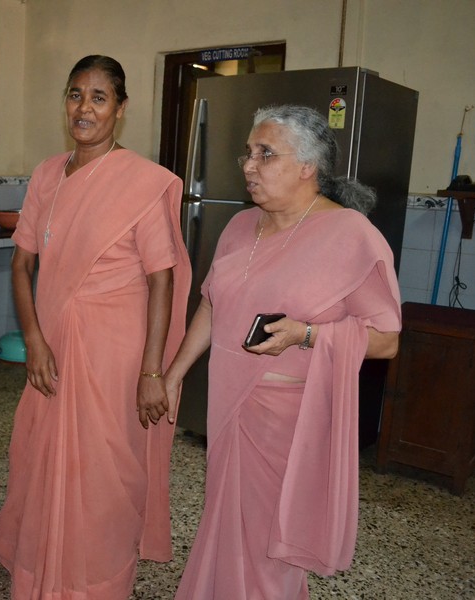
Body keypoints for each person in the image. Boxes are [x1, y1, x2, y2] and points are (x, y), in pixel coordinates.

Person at [164, 105, 402, 599]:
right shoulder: (239, 225)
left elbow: (386, 339)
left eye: (265, 154)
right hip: (228, 407)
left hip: (288, 422)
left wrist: (306, 334)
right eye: (248, 153)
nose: (249, 166)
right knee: (228, 528)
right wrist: (173, 374)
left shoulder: (351, 234)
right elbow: (211, 304)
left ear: (307, 166)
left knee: (270, 547)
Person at [0, 55, 192, 599]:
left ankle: (96, 582)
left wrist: (152, 371)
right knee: (38, 455)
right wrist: (33, 339)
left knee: (104, 471)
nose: (84, 108)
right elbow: (23, 265)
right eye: (76, 94)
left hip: (113, 353)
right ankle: (40, 570)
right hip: (51, 343)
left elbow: (163, 280)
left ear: (120, 109)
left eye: (99, 98)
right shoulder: (48, 174)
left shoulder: (141, 183)